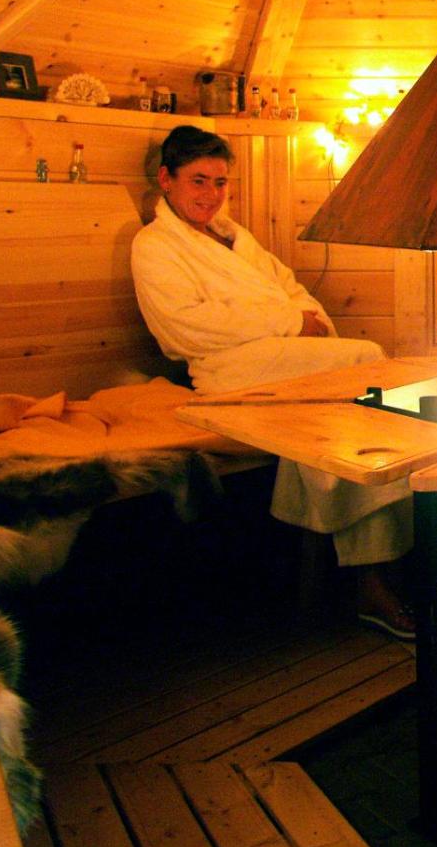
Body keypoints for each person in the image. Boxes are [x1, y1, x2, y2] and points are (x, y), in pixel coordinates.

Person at [131, 126, 414, 640]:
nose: (211, 194)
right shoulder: (154, 246)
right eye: (198, 181)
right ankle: (375, 579)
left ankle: (373, 579)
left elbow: (293, 289)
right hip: (225, 371)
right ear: (166, 180)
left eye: (220, 182)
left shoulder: (234, 236)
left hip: (280, 360)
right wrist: (288, 322)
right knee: (366, 360)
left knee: (336, 427)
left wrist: (307, 319)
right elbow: (183, 328)